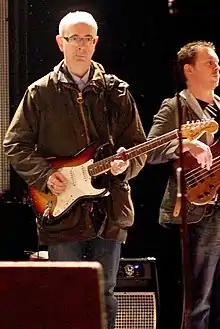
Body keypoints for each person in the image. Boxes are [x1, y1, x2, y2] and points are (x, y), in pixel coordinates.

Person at [3, 10, 147, 329]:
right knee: (63, 292)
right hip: (61, 209)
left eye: (87, 39)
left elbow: (138, 147)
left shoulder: (117, 91)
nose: (80, 46)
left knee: (106, 292)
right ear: (60, 42)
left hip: (110, 208)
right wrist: (44, 176)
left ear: (95, 43)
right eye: (73, 39)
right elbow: (14, 145)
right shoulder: (40, 93)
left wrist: (125, 166)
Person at [146, 40, 220, 329]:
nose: (217, 67)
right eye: (209, 63)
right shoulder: (176, 107)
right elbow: (150, 150)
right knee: (198, 299)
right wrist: (187, 144)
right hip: (197, 211)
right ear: (189, 70)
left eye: (217, 63)